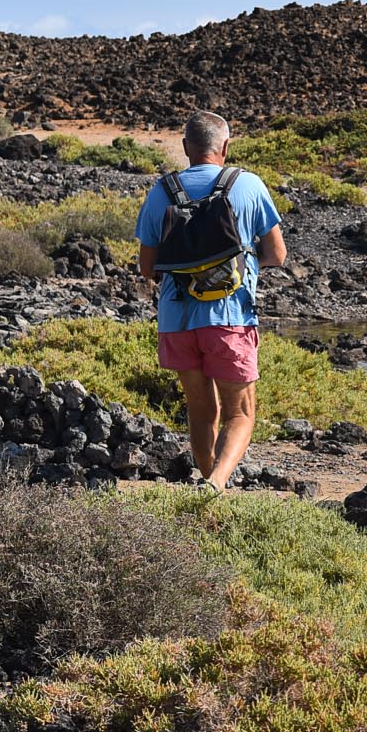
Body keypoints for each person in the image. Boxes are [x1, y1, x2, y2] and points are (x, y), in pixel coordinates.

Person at [136, 111, 287, 490]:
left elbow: (147, 267)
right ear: (225, 146)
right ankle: (218, 483)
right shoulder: (248, 184)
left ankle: (206, 483)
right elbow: (277, 255)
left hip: (176, 320)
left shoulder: (161, 191)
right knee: (241, 412)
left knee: (201, 411)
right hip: (229, 316)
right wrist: (242, 264)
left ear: (186, 147)